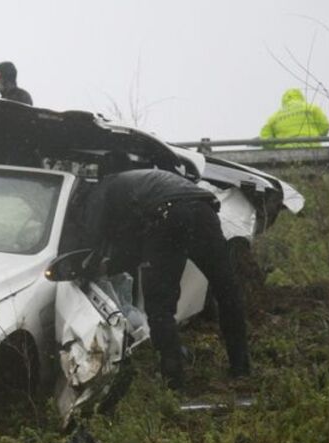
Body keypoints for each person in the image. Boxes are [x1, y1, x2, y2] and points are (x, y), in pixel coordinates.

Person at [81, 167, 250, 389]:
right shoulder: (139, 179)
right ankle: (241, 368)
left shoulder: (100, 191)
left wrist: (86, 269)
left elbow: (93, 237)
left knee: (160, 305)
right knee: (226, 290)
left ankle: (173, 381)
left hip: (169, 216)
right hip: (204, 210)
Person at [260, 88, 329, 148]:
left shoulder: (274, 117)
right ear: (301, 97)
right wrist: (316, 137)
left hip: (285, 151)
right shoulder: (311, 108)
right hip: (312, 148)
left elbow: (265, 138)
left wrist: (275, 147)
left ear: (283, 101)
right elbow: (325, 126)